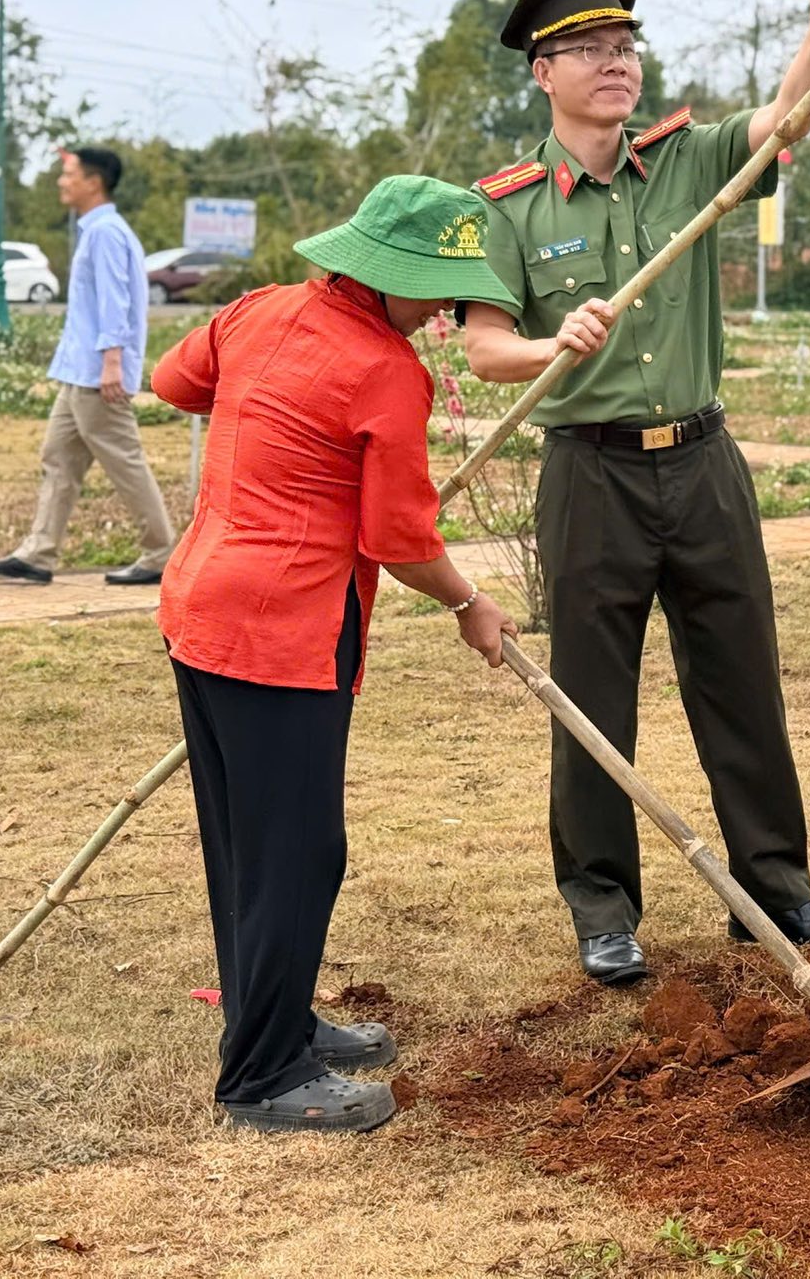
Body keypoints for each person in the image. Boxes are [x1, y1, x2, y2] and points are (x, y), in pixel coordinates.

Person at [460, 0, 810, 987]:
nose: (615, 63)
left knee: (740, 680)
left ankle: (777, 891)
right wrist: (553, 346)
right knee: (594, 697)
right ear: (541, 73)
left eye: (624, 43)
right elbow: (485, 349)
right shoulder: (504, 205)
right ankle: (603, 907)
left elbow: (790, 116)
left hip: (704, 463)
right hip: (588, 477)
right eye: (587, 48)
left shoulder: (684, 158)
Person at [153, 176, 519, 1133]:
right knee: (299, 853)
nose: (444, 309)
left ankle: (269, 1016)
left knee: (249, 844)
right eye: (436, 289)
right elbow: (399, 538)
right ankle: (264, 1077)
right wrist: (471, 603)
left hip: (199, 606)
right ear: (386, 273)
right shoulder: (386, 370)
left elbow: (172, 381)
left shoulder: (257, 312)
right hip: (281, 633)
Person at [0, 147, 173, 587]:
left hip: (97, 376)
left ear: (94, 182)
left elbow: (115, 301)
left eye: (68, 174)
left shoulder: (106, 232)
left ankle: (162, 553)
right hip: (79, 374)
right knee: (58, 458)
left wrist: (112, 362)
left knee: (125, 463)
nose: (60, 181)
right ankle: (39, 552)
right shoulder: (95, 230)